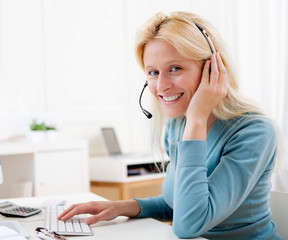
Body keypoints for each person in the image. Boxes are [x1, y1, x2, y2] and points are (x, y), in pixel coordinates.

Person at [59, 11, 282, 239]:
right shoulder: (177, 125)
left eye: (175, 68)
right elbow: (181, 203)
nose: (162, 86)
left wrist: (196, 119)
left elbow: (189, 224)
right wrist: (124, 207)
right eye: (153, 72)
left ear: (212, 69)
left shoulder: (254, 132)